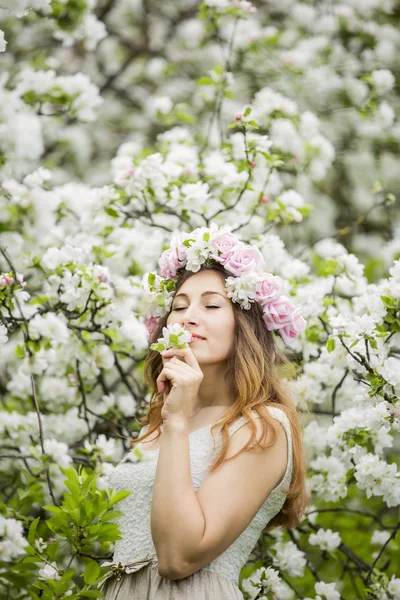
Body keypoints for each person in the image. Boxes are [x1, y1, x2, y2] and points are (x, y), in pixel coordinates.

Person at [99, 225, 309, 599]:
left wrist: (176, 424)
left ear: (244, 325)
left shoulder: (263, 427)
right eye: (179, 307)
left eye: (211, 305)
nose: (187, 317)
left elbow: (178, 558)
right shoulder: (159, 424)